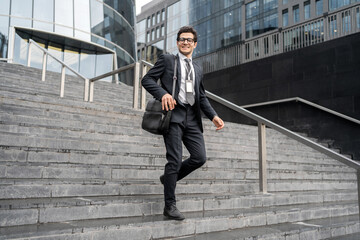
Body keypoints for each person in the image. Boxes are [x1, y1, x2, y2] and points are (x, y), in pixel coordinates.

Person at [141, 26, 224, 220]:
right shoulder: (168, 60)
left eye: (189, 40)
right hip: (173, 115)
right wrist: (163, 94)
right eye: (181, 39)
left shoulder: (197, 68)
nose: (185, 42)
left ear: (195, 44)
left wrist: (213, 116)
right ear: (178, 42)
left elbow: (200, 95)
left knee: (199, 157)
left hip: (192, 118)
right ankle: (169, 206)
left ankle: (168, 178)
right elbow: (147, 79)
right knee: (175, 160)